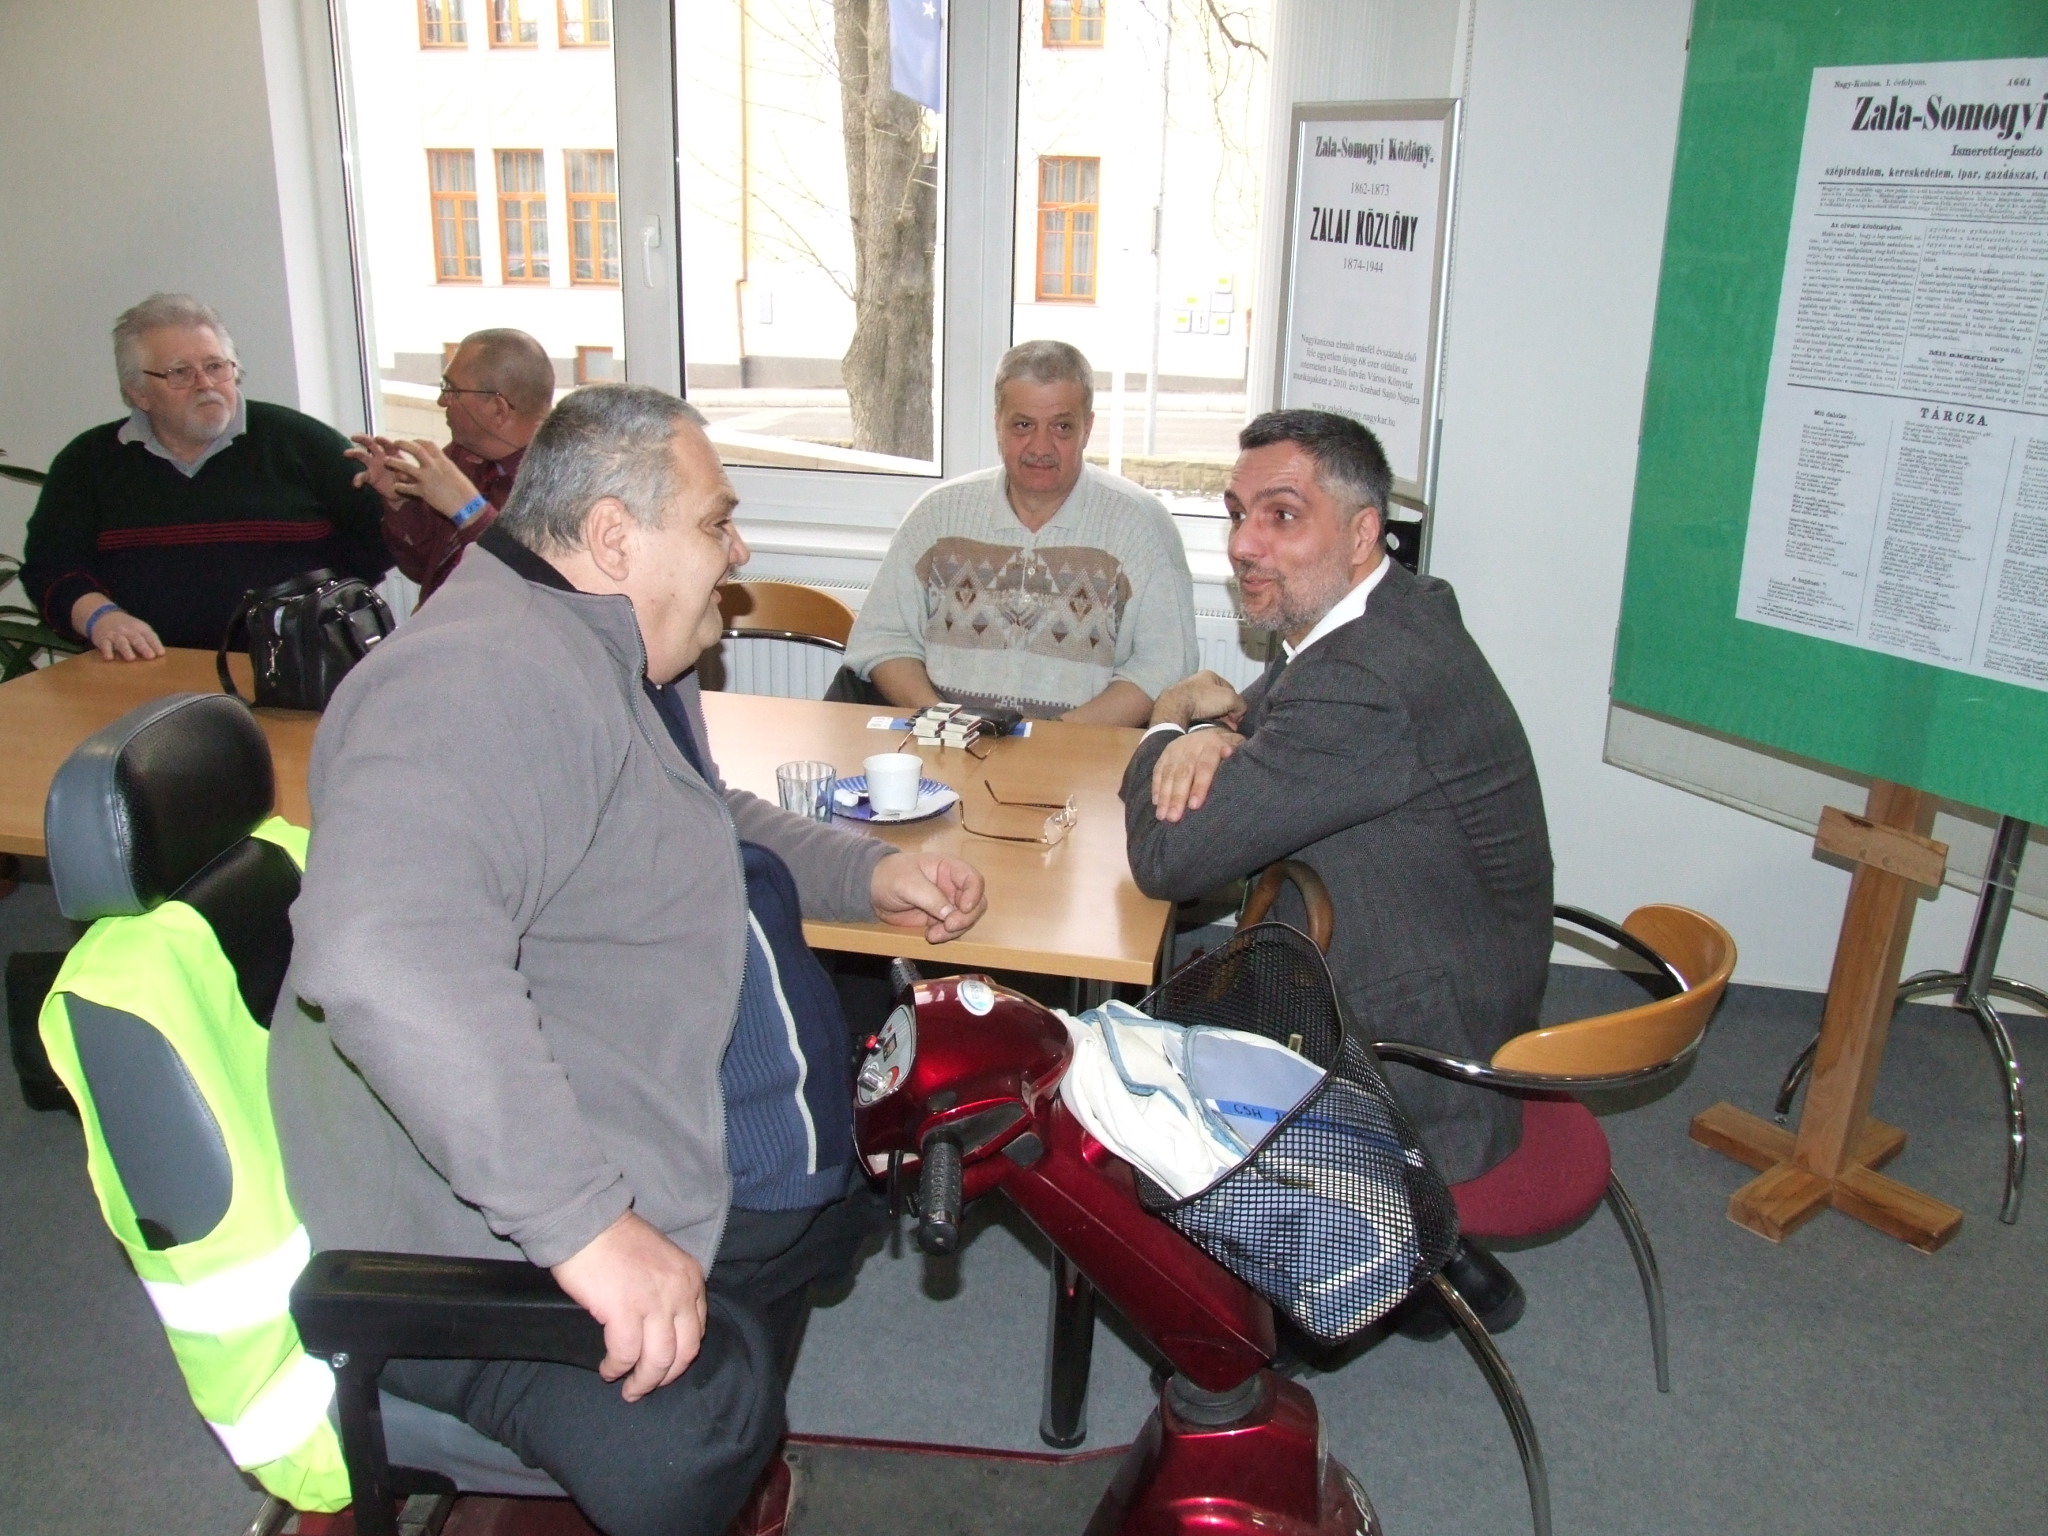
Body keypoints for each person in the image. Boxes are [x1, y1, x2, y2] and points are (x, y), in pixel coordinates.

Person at [270, 383, 988, 1536]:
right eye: (716, 522)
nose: (738, 553)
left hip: (656, 1109)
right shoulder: (471, 683)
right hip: (509, 1222)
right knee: (696, 1438)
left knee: (846, 1190)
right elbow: (380, 954)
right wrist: (586, 1228)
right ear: (613, 538)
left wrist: (861, 875)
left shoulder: (608, 650)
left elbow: (699, 810)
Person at [1120, 409, 1553, 1332]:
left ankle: (1347, 1263)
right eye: (1238, 514)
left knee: (1127, 1072)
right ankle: (1424, 1259)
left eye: (1282, 515)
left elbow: (1167, 859)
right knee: (1190, 978)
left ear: (1362, 534)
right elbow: (1265, 720)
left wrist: (1167, 720)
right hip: (1449, 961)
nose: (1244, 544)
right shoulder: (1393, 610)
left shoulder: (1366, 678)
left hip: (1421, 1050)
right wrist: (1212, 734)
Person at [844, 340, 1198, 725]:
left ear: (1087, 428)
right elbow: (884, 639)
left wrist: (1053, 741)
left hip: (1082, 750)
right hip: (943, 742)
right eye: (1023, 425)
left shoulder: (1143, 526)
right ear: (998, 424)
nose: (1041, 447)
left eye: (1062, 427)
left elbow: (1165, 667)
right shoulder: (936, 516)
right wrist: (943, 721)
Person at [20, 293, 389, 658]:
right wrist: (102, 618)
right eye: (180, 372)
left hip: (299, 670)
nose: (205, 384)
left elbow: (378, 544)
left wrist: (396, 505)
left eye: (215, 366)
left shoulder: (304, 444)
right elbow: (49, 569)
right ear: (138, 393)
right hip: (143, 671)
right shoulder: (87, 463)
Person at [347, 327, 554, 601]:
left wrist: (470, 510)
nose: (441, 401)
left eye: (451, 390)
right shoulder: (461, 456)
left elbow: (535, 591)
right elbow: (422, 569)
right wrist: (399, 500)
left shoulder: (567, 479)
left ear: (499, 409)